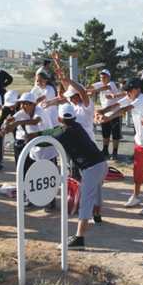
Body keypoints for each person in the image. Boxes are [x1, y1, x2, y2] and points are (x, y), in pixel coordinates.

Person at [34, 104, 108, 249]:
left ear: (59, 118)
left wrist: (32, 137)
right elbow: (54, 131)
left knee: (85, 202)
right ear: (73, 117)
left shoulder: (64, 132)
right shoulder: (78, 125)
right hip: (102, 164)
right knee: (97, 189)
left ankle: (79, 239)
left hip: (91, 168)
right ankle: (97, 216)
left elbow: (45, 140)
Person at [98, 78, 143, 215]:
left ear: (137, 90)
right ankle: (136, 197)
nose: (127, 94)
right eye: (126, 91)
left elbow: (124, 109)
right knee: (138, 172)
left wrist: (107, 118)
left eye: (129, 91)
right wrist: (102, 111)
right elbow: (116, 105)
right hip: (140, 141)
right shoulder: (132, 97)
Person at [93, 69, 124, 160]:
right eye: (101, 77)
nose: (102, 79)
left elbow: (105, 88)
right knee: (105, 133)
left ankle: (115, 152)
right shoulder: (100, 83)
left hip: (115, 113)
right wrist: (86, 90)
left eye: (104, 77)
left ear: (109, 77)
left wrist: (95, 91)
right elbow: (91, 86)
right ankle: (105, 150)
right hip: (105, 113)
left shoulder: (111, 84)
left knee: (115, 134)